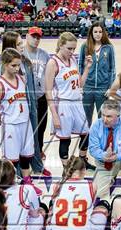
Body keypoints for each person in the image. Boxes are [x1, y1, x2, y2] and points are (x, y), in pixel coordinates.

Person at [0, 31, 51, 176]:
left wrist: (34, 104)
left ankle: (37, 165)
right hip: (14, 113)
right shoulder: (2, 68)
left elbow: (31, 86)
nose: (22, 46)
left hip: (30, 106)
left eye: (22, 43)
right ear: (10, 47)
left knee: (33, 139)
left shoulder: (26, 62)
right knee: (16, 147)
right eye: (19, 44)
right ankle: (17, 174)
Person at [0, 48, 41, 196]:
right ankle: (10, 185)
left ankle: (27, 181)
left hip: (25, 123)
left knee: (26, 156)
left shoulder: (21, 79)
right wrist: (6, 123)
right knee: (11, 160)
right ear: (4, 64)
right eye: (13, 65)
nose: (17, 68)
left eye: (18, 65)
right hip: (11, 126)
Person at [45, 32, 94, 169]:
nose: (72, 52)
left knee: (86, 134)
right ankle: (66, 169)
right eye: (69, 48)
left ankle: (83, 160)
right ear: (60, 45)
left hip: (77, 101)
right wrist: (54, 115)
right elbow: (48, 91)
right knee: (65, 139)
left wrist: (87, 69)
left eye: (74, 49)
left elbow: (80, 84)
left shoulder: (72, 60)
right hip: (63, 104)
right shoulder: (52, 63)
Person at [45, 156, 108, 230]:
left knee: (51, 206)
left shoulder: (58, 185)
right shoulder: (92, 186)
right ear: (84, 170)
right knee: (103, 206)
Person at [89, 99, 121, 200]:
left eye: (109, 116)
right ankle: (111, 176)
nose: (104, 119)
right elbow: (93, 149)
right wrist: (104, 156)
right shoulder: (96, 125)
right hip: (103, 162)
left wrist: (117, 156)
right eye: (103, 115)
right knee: (99, 194)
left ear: (118, 116)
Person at [79, 21, 116, 127]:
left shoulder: (108, 47)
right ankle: (86, 141)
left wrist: (111, 88)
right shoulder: (85, 46)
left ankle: (101, 141)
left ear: (103, 33)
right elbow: (80, 66)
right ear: (91, 33)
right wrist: (80, 85)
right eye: (95, 32)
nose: (98, 34)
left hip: (102, 89)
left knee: (103, 118)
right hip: (87, 88)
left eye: (100, 31)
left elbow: (112, 68)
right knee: (86, 118)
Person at [23, 27, 51, 161]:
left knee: (41, 125)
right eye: (33, 36)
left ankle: (39, 150)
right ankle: (26, 151)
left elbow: (49, 75)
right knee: (27, 126)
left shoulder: (45, 55)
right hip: (25, 98)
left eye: (38, 37)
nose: (36, 39)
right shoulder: (20, 53)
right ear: (27, 36)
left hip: (41, 97)